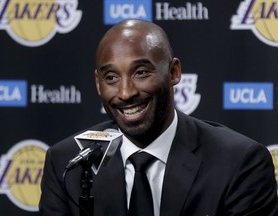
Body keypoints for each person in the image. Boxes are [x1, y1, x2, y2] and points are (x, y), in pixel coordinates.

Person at [39, 19, 278, 216]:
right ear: (98, 84)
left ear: (173, 72)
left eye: (141, 73)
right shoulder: (66, 164)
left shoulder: (239, 163)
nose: (125, 93)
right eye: (111, 77)